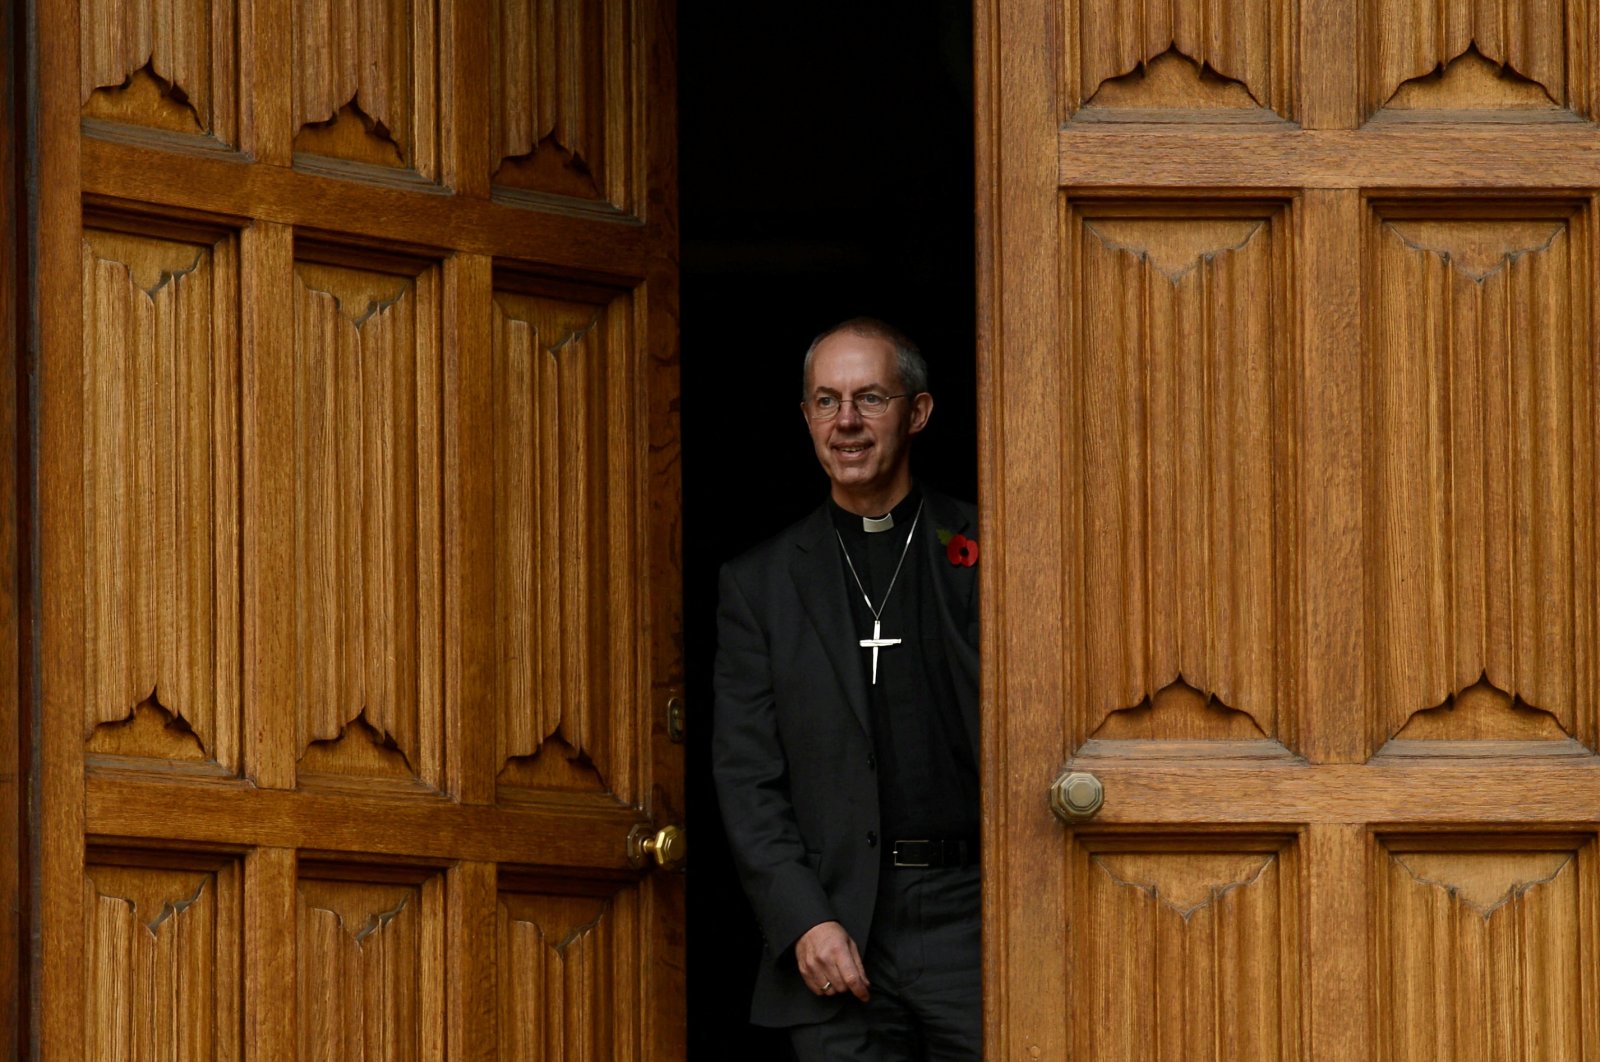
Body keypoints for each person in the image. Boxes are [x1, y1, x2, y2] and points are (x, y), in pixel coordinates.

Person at [712, 318, 981, 1060]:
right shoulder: (759, 584)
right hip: (840, 922)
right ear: (806, 419)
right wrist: (804, 920)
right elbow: (746, 777)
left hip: (975, 914)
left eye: (870, 398)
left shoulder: (988, 548)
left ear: (918, 413)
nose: (848, 423)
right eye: (826, 402)